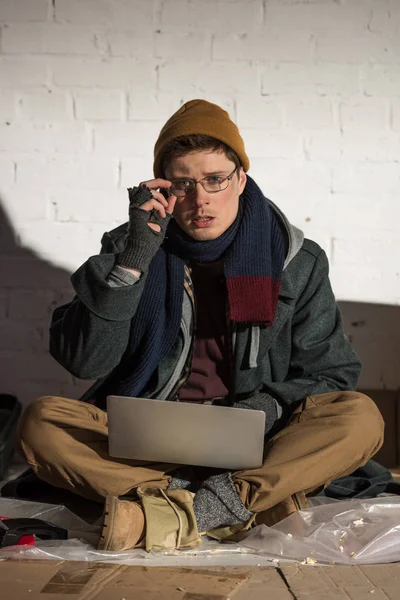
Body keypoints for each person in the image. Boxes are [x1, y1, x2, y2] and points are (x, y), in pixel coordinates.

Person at [16, 100, 384, 553]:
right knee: (41, 422)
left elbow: (332, 373)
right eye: (183, 184)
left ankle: (179, 508)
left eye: (215, 180)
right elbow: (84, 360)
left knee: (360, 417)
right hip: (151, 440)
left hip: (260, 439)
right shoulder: (131, 244)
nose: (200, 198)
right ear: (162, 188)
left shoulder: (296, 261)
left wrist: (266, 408)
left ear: (240, 178)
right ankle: (240, 502)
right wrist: (134, 262)